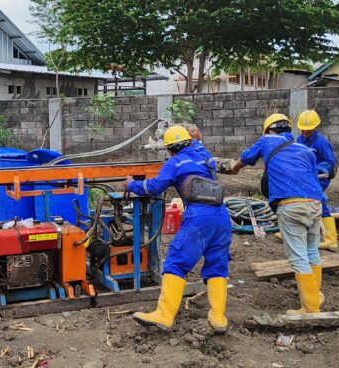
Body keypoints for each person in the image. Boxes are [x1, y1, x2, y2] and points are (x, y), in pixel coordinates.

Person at [125, 125, 232, 334]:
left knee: (175, 261)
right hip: (222, 217)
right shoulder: (203, 155)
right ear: (190, 142)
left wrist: (131, 185)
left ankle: (164, 315)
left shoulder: (174, 163)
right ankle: (218, 318)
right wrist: (197, 140)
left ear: (169, 149)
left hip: (199, 217)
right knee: (217, 266)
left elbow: (154, 187)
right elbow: (200, 148)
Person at [230, 114, 324, 314]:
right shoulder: (305, 149)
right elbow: (313, 176)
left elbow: (246, 158)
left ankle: (310, 308)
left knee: (298, 257)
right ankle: (315, 294)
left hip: (290, 205)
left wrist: (233, 168)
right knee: (312, 252)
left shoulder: (267, 140)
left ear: (269, 130)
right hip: (315, 204)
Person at [297, 110, 338, 251]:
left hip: (320, 178)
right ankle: (300, 234)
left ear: (315, 127)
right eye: (303, 129)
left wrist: (318, 170)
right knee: (300, 202)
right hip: (306, 176)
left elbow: (329, 161)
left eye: (308, 129)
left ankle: (331, 240)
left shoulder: (321, 143)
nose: (305, 132)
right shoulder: (299, 140)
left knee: (318, 200)